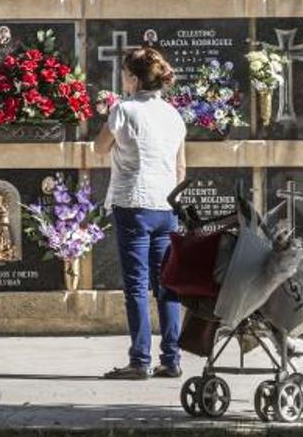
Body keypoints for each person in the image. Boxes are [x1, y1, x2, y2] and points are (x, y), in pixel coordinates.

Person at [93, 47, 187, 380]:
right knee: (167, 285)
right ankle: (172, 359)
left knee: (136, 286)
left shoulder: (124, 110)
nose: (122, 80)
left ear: (133, 79)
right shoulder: (174, 115)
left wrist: (110, 118)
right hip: (166, 207)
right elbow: (180, 168)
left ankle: (140, 360)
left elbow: (99, 148)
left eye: (124, 74)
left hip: (133, 203)